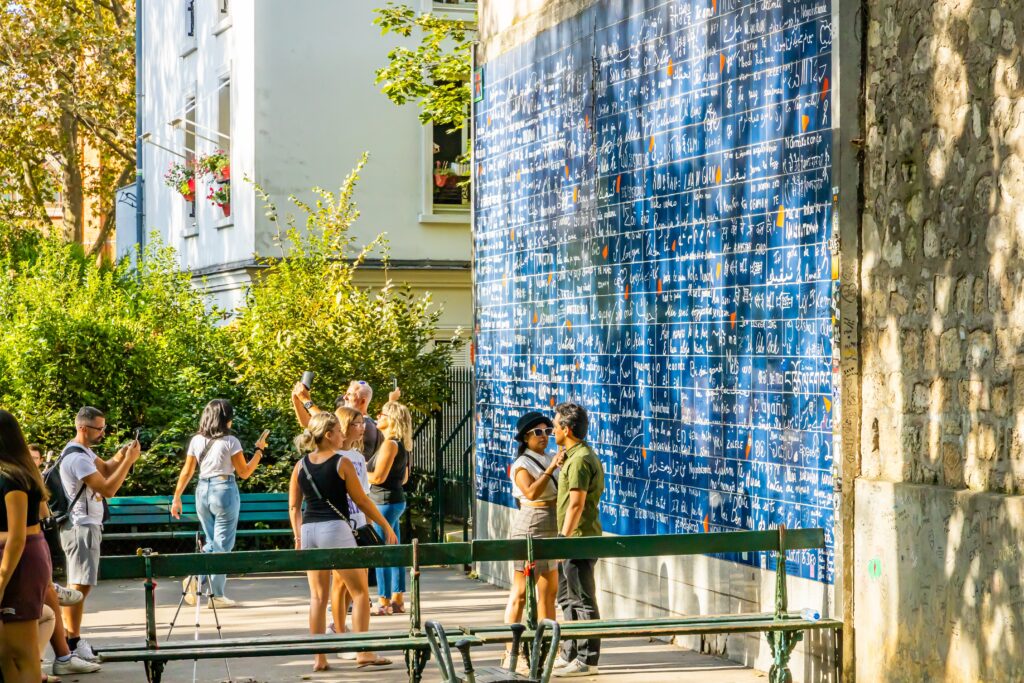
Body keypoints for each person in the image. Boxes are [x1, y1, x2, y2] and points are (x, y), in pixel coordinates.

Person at [288, 412, 397, 671]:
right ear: (328, 435)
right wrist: (384, 525)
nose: (342, 434)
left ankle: (320, 659)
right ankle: (363, 652)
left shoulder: (300, 465)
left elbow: (294, 506)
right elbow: (361, 500)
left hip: (310, 531)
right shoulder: (341, 462)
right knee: (359, 592)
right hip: (335, 530)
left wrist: (298, 536)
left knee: (317, 597)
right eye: (338, 430)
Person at [58, 407, 141, 664]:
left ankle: (71, 642)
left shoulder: (84, 452)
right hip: (81, 526)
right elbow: (108, 488)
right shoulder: (77, 458)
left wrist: (121, 455)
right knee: (79, 587)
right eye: (99, 428)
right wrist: (129, 462)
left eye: (104, 427)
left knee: (81, 585)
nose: (103, 433)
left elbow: (105, 469)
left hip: (88, 525)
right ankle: (71, 644)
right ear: (82, 428)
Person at [170, 399, 268, 607]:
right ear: (226, 420)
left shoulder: (196, 440)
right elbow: (244, 472)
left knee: (213, 541)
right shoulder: (231, 441)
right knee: (223, 544)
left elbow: (187, 471)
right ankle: (216, 596)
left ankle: (197, 578)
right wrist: (259, 452)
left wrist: (177, 497)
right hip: (224, 490)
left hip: (202, 492)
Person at [502, 411, 564, 670]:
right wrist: (550, 469)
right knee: (521, 592)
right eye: (538, 432)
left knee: (549, 589)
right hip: (531, 522)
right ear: (525, 437)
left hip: (552, 520)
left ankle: (546, 643)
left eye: (548, 431)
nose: (544, 437)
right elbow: (529, 491)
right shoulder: (522, 464)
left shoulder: (551, 456)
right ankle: (510, 648)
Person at [551, 402, 605, 678]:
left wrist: (563, 540)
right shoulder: (573, 456)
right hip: (572, 538)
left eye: (555, 424)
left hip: (578, 539)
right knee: (566, 597)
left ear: (567, 429)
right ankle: (570, 652)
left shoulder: (581, 459)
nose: (551, 429)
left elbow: (576, 504)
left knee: (583, 600)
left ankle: (587, 658)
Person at [0, 409, 51, 683]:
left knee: (23, 654)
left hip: (19, 562)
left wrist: (1, 580)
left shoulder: (12, 478)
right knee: (5, 653)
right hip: (17, 558)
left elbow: (17, 536)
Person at [367, 401, 412, 616]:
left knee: (381, 551)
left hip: (383, 503)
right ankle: (398, 598)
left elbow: (377, 477)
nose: (378, 416)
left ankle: (383, 601)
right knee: (395, 549)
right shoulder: (401, 444)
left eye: (381, 413)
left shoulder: (389, 445)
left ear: (391, 419)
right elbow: (404, 478)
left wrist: (356, 474)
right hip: (396, 500)